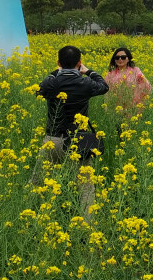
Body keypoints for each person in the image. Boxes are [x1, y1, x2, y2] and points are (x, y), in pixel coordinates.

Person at [32, 45, 109, 219]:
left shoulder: (51, 82)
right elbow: (104, 86)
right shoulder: (85, 82)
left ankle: (32, 219)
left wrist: (55, 72)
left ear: (59, 62)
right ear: (79, 63)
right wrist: (89, 71)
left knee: (37, 182)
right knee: (86, 189)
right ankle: (88, 229)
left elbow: (38, 90)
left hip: (53, 140)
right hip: (78, 142)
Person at [105, 46, 151, 122]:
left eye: (123, 57)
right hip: (115, 107)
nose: (120, 59)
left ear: (128, 58)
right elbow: (106, 91)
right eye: (117, 58)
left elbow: (146, 86)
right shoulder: (110, 74)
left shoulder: (135, 71)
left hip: (132, 107)